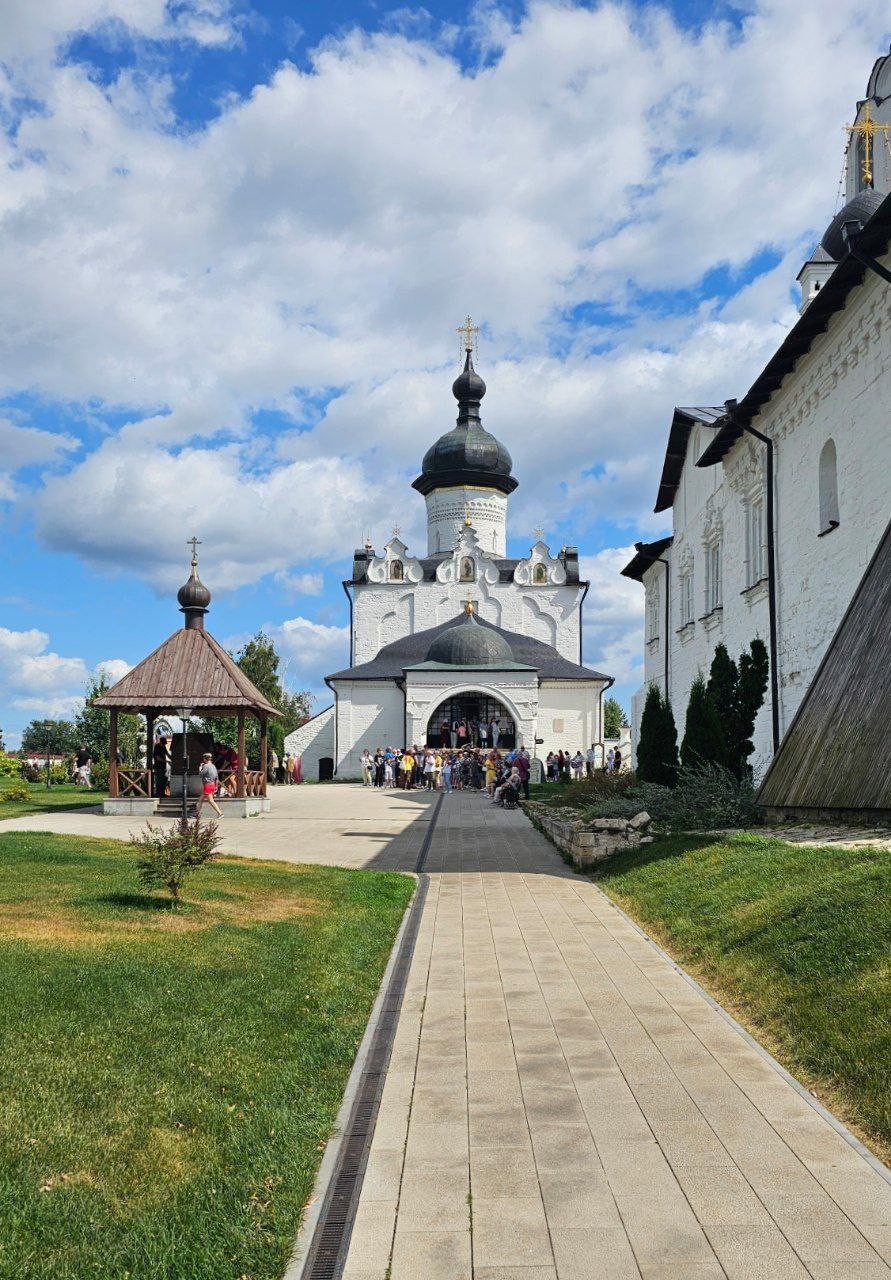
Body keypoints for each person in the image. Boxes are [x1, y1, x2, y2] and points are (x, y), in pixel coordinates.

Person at [196, 752, 223, 818]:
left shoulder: (206, 766)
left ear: (205, 759)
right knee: (201, 800)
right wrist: (216, 786)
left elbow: (201, 775)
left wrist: (200, 768)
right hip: (212, 784)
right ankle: (197, 814)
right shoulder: (213, 766)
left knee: (211, 801)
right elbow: (216, 777)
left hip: (207, 784)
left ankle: (220, 813)